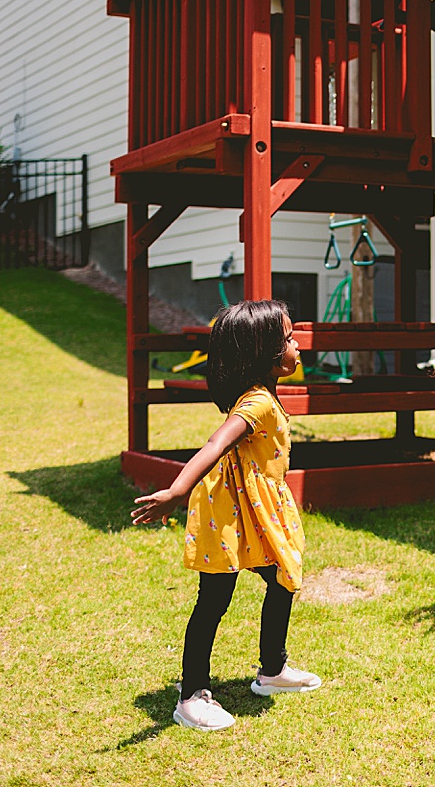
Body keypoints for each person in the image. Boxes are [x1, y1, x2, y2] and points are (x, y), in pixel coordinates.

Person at [131, 300, 322, 732]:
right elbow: (216, 444)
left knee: (281, 578)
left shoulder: (263, 395)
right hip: (231, 515)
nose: (297, 347)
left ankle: (272, 670)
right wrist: (178, 490)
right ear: (264, 352)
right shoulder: (255, 403)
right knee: (214, 600)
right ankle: (191, 696)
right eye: (289, 339)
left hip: (256, 508)